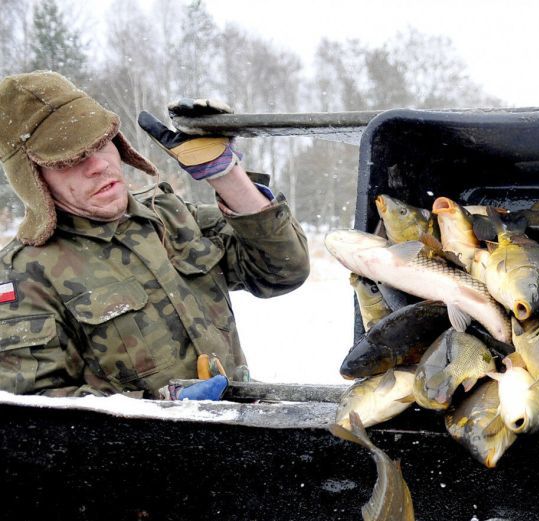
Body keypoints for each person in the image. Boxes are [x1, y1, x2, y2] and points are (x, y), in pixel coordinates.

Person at [0, 70, 309, 400]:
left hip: (239, 436)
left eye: (101, 144)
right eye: (70, 160)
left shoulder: (171, 214)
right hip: (146, 450)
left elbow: (282, 270)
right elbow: (34, 417)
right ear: (33, 180)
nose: (98, 166)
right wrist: (160, 409)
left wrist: (226, 175)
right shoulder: (23, 274)